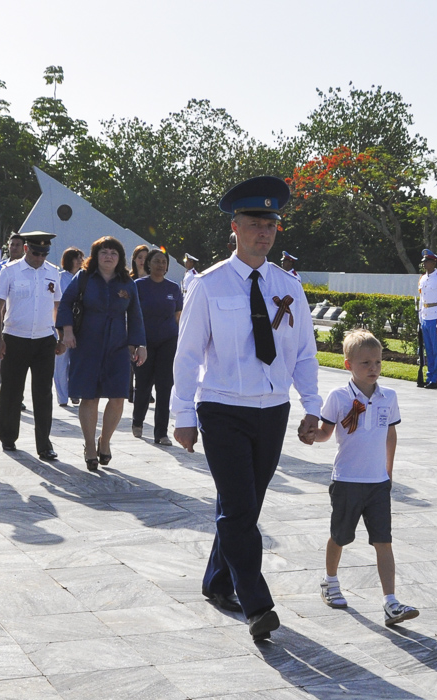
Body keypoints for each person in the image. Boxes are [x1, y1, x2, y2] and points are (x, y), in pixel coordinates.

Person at [171, 175, 320, 641]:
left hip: (272, 410)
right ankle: (257, 605)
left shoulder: (288, 287)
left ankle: (217, 581)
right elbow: (188, 354)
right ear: (233, 227)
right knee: (238, 510)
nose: (264, 232)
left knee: (244, 508)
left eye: (271, 224)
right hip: (222, 409)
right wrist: (183, 415)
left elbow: (304, 352)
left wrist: (311, 406)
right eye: (255, 222)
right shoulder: (209, 285)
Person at [306, 329, 418, 626]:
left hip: (377, 483)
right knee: (340, 535)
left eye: (378, 362)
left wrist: (389, 470)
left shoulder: (388, 396)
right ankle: (330, 581)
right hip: (347, 480)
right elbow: (325, 433)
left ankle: (391, 602)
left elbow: (390, 434)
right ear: (348, 365)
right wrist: (310, 436)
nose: (373, 369)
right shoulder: (339, 396)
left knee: (384, 540)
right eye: (365, 363)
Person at [57, 237, 146, 471]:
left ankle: (104, 441)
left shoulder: (128, 284)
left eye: (113, 253)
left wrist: (140, 345)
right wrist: (66, 331)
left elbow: (135, 316)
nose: (108, 256)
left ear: (120, 258)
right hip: (86, 344)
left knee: (118, 397)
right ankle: (89, 445)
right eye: (104, 252)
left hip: (117, 347)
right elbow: (66, 304)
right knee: (89, 396)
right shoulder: (84, 278)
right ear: (95, 256)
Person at [0, 231, 65, 461]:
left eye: (44, 253)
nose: (40, 257)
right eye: (35, 252)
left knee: (43, 394)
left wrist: (60, 336)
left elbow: (57, 306)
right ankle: (8, 437)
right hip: (15, 337)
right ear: (26, 249)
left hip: (44, 340)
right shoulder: (10, 271)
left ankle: (44, 444)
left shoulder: (53, 272)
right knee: (11, 391)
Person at [132, 248, 182, 443]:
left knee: (164, 387)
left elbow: (178, 316)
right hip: (143, 342)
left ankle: (161, 432)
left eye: (164, 261)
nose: (161, 265)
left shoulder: (173, 288)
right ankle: (137, 421)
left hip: (167, 341)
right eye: (157, 261)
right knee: (143, 385)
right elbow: (132, 315)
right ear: (148, 264)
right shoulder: (138, 286)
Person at [0, 233, 26, 400]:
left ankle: (17, 395)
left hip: (20, 322)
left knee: (19, 361)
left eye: (18, 245)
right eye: (12, 244)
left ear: (25, 248)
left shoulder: (28, 270)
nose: (14, 248)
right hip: (2, 320)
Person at [54, 247, 84, 407]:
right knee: (61, 361)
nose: (80, 260)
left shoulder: (84, 278)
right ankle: (63, 396)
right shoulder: (60, 278)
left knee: (78, 361)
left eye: (81, 257)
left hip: (81, 325)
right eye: (76, 257)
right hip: (62, 325)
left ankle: (75, 392)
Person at [417, 249, 437, 390]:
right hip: (425, 316)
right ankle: (429, 376)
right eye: (423, 262)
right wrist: (420, 317)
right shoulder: (422, 278)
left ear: (433, 262)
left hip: (435, 317)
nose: (424, 264)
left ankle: (436, 379)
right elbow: (421, 299)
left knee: (436, 350)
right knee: (428, 349)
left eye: (427, 262)